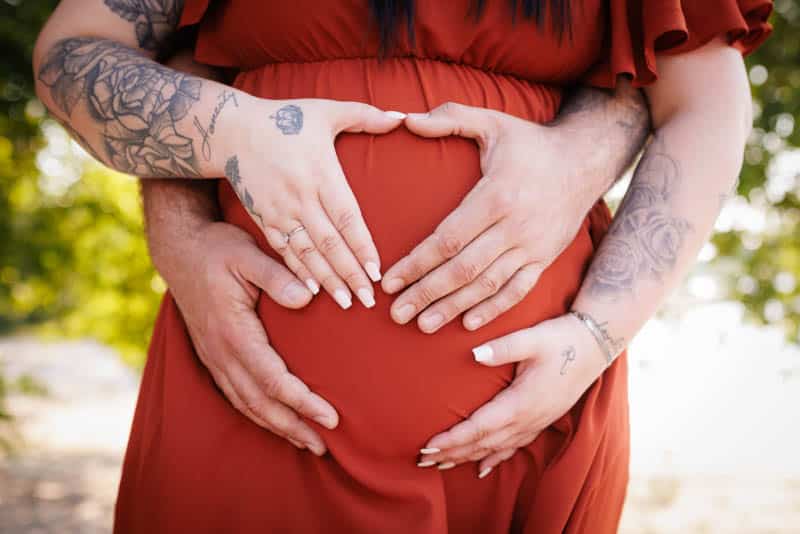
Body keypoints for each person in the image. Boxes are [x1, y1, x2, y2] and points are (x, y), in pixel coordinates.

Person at [33, 0, 772, 532]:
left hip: (523, 423)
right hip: (249, 398)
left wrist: (597, 332)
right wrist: (219, 156)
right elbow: (75, 52)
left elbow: (704, 100)